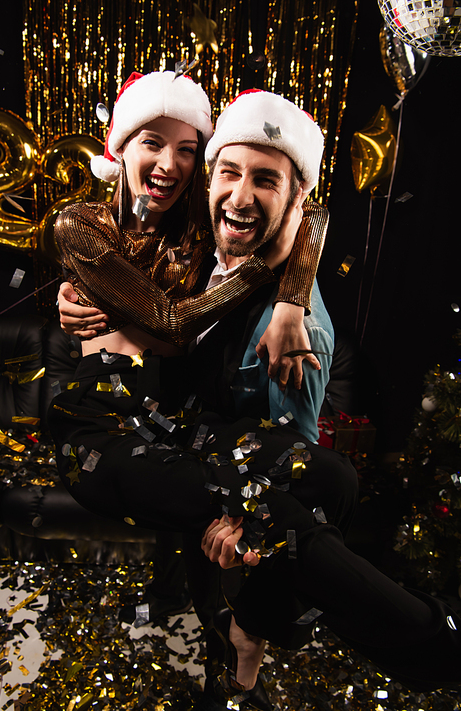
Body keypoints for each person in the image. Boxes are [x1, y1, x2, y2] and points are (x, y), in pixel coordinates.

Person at [51, 80, 461, 707]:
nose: (169, 164)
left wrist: (292, 299)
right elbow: (164, 320)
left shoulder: (197, 217)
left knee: (334, 478)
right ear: (119, 145)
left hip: (178, 418)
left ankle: (248, 628)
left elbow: (314, 213)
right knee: (277, 511)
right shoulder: (79, 223)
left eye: (188, 149)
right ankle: (433, 641)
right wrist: (269, 279)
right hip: (104, 429)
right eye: (151, 143)